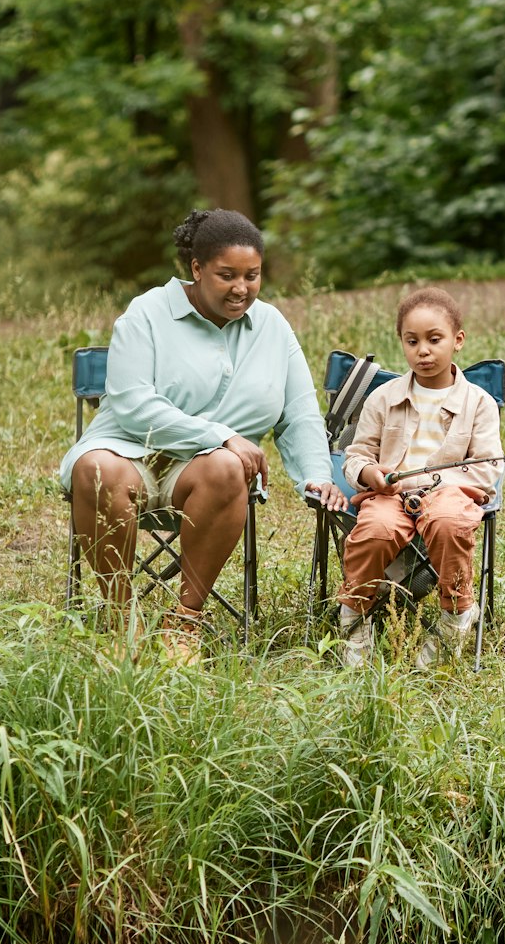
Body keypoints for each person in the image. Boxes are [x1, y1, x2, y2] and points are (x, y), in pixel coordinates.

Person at [61, 209, 349, 660]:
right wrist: (220, 434)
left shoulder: (272, 328)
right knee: (97, 468)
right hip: (129, 451)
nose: (242, 288)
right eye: (227, 275)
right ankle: (120, 624)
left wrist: (315, 475)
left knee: (228, 467)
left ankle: (185, 622)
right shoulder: (146, 315)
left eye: (252, 276)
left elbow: (298, 414)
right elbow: (134, 406)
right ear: (196, 268)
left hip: (205, 475)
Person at [339, 286, 503, 668]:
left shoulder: (478, 403)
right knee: (376, 527)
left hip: (449, 495)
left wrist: (438, 485)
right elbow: (357, 454)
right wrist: (369, 472)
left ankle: (457, 612)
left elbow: (488, 465)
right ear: (402, 343)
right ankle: (355, 615)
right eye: (412, 341)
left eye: (434, 339)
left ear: (457, 341)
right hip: (389, 495)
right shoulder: (383, 398)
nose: (423, 351)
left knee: (448, 521)